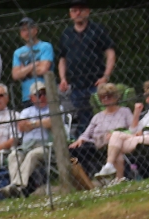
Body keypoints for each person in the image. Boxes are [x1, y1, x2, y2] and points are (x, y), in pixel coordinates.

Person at [96, 80, 149, 181]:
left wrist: (141, 132)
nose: (144, 94)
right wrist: (136, 113)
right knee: (116, 138)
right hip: (145, 136)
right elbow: (133, 130)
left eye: (146, 92)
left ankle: (113, 171)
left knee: (116, 144)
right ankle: (114, 173)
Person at [0, 80, 68, 198]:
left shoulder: (56, 108)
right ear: (31, 98)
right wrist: (41, 123)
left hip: (47, 147)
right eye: (38, 94)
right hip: (27, 146)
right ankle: (15, 188)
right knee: (13, 155)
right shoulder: (26, 111)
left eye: (44, 93)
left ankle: (17, 186)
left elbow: (52, 122)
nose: (42, 97)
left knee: (33, 155)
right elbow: (21, 126)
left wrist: (32, 124)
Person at [57, 2, 116, 138]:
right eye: (74, 10)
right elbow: (62, 59)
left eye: (81, 10)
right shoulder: (66, 34)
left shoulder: (98, 30)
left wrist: (106, 76)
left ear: (88, 11)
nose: (77, 13)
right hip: (76, 86)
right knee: (83, 120)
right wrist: (63, 79)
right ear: (70, 14)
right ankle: (87, 152)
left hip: (97, 83)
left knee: (102, 116)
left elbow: (110, 53)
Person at [68, 82, 132, 176]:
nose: (106, 99)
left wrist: (115, 134)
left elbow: (132, 129)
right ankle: (87, 178)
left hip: (119, 140)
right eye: (102, 97)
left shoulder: (125, 111)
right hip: (99, 143)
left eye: (108, 96)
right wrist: (80, 140)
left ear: (116, 97)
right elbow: (87, 133)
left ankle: (117, 176)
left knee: (117, 146)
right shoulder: (97, 116)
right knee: (75, 149)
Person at [12, 17, 54, 108]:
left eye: (29, 28)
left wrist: (23, 71)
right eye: (23, 30)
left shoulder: (45, 46)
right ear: (20, 34)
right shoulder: (17, 53)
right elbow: (15, 75)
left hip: (45, 95)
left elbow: (43, 69)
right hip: (28, 97)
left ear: (36, 30)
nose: (27, 32)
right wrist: (33, 65)